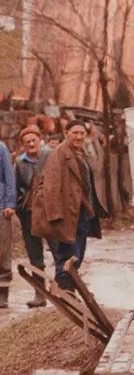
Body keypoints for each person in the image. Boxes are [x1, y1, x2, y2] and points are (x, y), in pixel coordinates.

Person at [31, 120, 106, 291]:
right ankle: (64, 292)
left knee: (77, 255)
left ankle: (69, 291)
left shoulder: (79, 153)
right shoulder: (59, 154)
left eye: (82, 133)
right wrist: (56, 216)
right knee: (67, 255)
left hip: (82, 212)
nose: (79, 137)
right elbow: (51, 186)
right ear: (66, 134)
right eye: (75, 133)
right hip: (68, 213)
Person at [15, 125, 59, 307]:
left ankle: (62, 291)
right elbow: (16, 186)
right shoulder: (19, 162)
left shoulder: (52, 155)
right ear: (23, 145)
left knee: (59, 252)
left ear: (40, 140)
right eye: (27, 142)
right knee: (35, 256)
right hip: (30, 214)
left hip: (51, 212)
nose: (31, 144)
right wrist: (20, 205)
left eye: (34, 140)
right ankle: (40, 295)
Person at [0, 140, 14, 308]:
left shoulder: (1, 148)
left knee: (2, 250)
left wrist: (10, 204)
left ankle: (2, 293)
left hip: (1, 206)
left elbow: (9, 176)